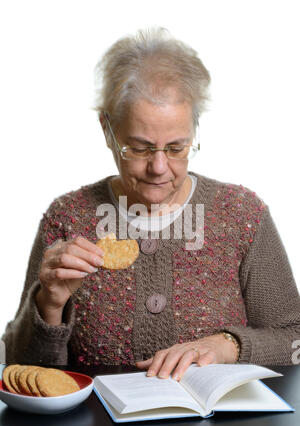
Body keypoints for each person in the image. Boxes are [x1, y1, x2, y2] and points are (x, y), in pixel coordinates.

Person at [2, 28, 300, 381]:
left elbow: (293, 339)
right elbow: (19, 371)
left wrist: (227, 345)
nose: (159, 168)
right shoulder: (67, 218)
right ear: (107, 130)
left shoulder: (242, 215)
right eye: (140, 148)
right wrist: (48, 306)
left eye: (176, 148)